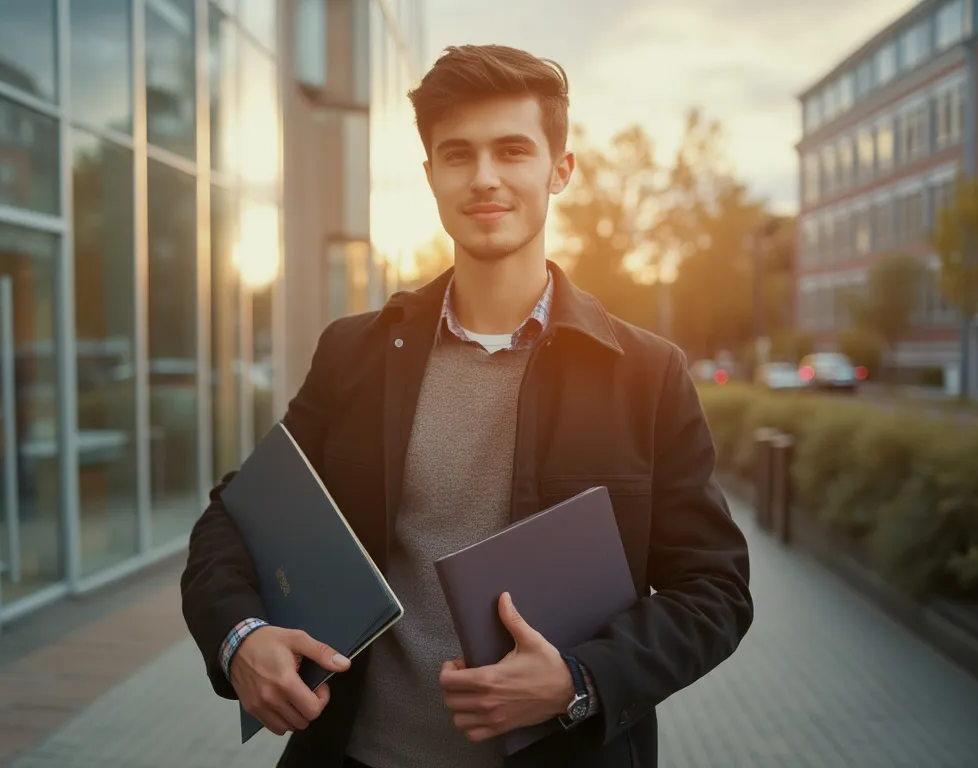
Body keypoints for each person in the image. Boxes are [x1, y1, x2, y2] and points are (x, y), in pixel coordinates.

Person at [180, 43, 753, 768]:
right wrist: (240, 638)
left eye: (513, 151)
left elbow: (715, 592)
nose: (485, 178)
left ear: (560, 169)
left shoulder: (647, 375)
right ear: (430, 176)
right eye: (458, 156)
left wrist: (580, 680)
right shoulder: (355, 353)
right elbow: (237, 516)